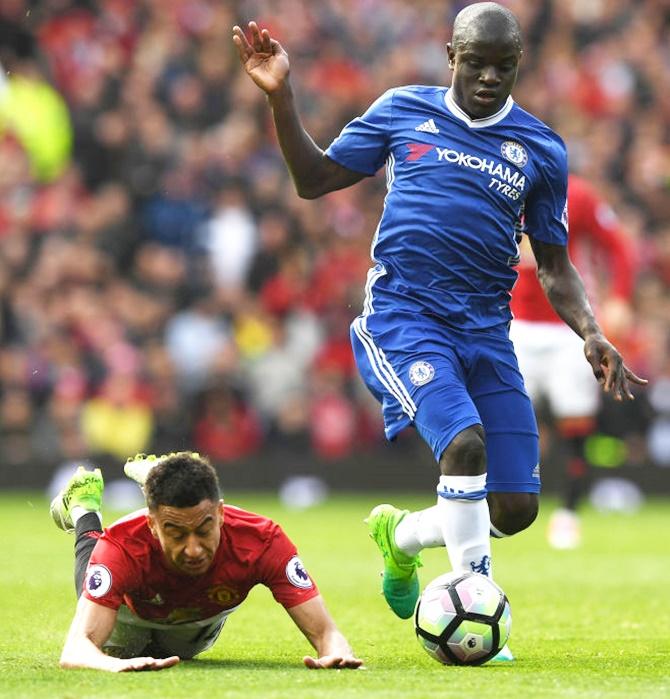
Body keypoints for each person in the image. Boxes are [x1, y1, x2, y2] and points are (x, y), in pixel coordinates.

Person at [232, 1, 645, 659]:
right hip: (404, 316)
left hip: (487, 331)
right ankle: (478, 605)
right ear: (451, 57)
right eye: (475, 63)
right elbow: (314, 181)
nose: (487, 77)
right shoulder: (402, 111)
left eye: (501, 66)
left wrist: (590, 330)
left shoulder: (540, 148)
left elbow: (558, 266)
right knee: (465, 446)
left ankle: (403, 539)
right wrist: (282, 97)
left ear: (518, 65)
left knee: (515, 507)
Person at [51, 452, 362, 672]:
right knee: (97, 579)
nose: (193, 550)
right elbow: (77, 648)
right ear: (152, 524)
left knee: (179, 652)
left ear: (222, 514)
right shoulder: (122, 545)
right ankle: (84, 509)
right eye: (175, 534)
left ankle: (162, 476)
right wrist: (113, 664)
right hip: (130, 615)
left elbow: (327, 634)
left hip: (196, 622)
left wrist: (336, 654)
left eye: (204, 531)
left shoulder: (262, 541)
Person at [510, 174, 636, 549]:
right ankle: (499, 504)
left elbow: (617, 246)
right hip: (513, 323)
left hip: (569, 328)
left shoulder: (579, 194)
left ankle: (568, 512)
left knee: (575, 424)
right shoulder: (499, 181)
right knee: (505, 420)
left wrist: (620, 297)